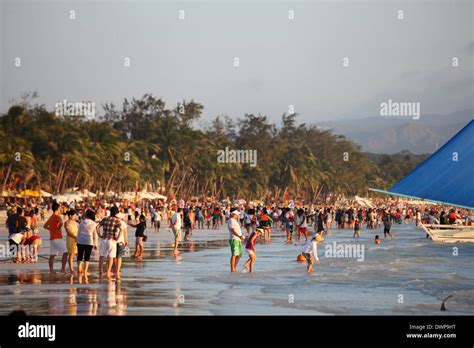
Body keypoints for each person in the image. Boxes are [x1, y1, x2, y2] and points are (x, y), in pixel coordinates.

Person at [96, 206, 122, 278]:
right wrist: (117, 238)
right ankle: (108, 271)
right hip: (112, 240)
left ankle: (100, 271)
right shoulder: (117, 220)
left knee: (102, 256)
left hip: (103, 239)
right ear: (116, 213)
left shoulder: (105, 219)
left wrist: (99, 235)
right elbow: (121, 230)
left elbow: (97, 227)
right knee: (111, 256)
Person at [44, 202, 68, 273]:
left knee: (52, 255)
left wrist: (51, 229)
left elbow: (45, 226)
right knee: (65, 253)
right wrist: (58, 229)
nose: (60, 209)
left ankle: (51, 270)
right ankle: (62, 269)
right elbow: (61, 222)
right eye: (60, 208)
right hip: (58, 238)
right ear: (57, 209)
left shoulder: (51, 217)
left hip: (52, 239)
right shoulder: (57, 216)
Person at [76, 209, 97, 276]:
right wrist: (95, 244)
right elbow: (95, 235)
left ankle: (79, 269)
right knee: (87, 256)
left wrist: (77, 240)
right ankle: (85, 271)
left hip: (80, 240)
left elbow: (78, 232)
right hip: (89, 241)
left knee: (80, 255)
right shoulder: (94, 224)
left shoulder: (82, 222)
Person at [115, 213, 129, 278]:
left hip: (113, 241)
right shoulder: (123, 223)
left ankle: (114, 268)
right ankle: (117, 270)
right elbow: (125, 232)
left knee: (113, 256)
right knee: (119, 256)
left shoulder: (113, 221)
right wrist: (126, 241)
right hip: (121, 241)